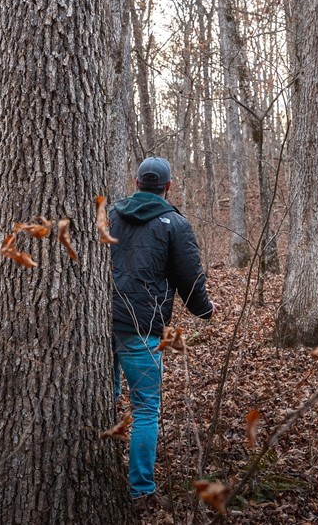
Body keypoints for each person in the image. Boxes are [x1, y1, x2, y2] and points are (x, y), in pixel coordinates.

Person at [110, 156, 215, 506]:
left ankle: (99, 474)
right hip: (142, 328)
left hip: (100, 323)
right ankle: (141, 490)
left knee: (103, 399)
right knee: (145, 409)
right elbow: (190, 278)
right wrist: (205, 309)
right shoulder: (175, 224)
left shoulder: (110, 214)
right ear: (168, 186)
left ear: (137, 183)